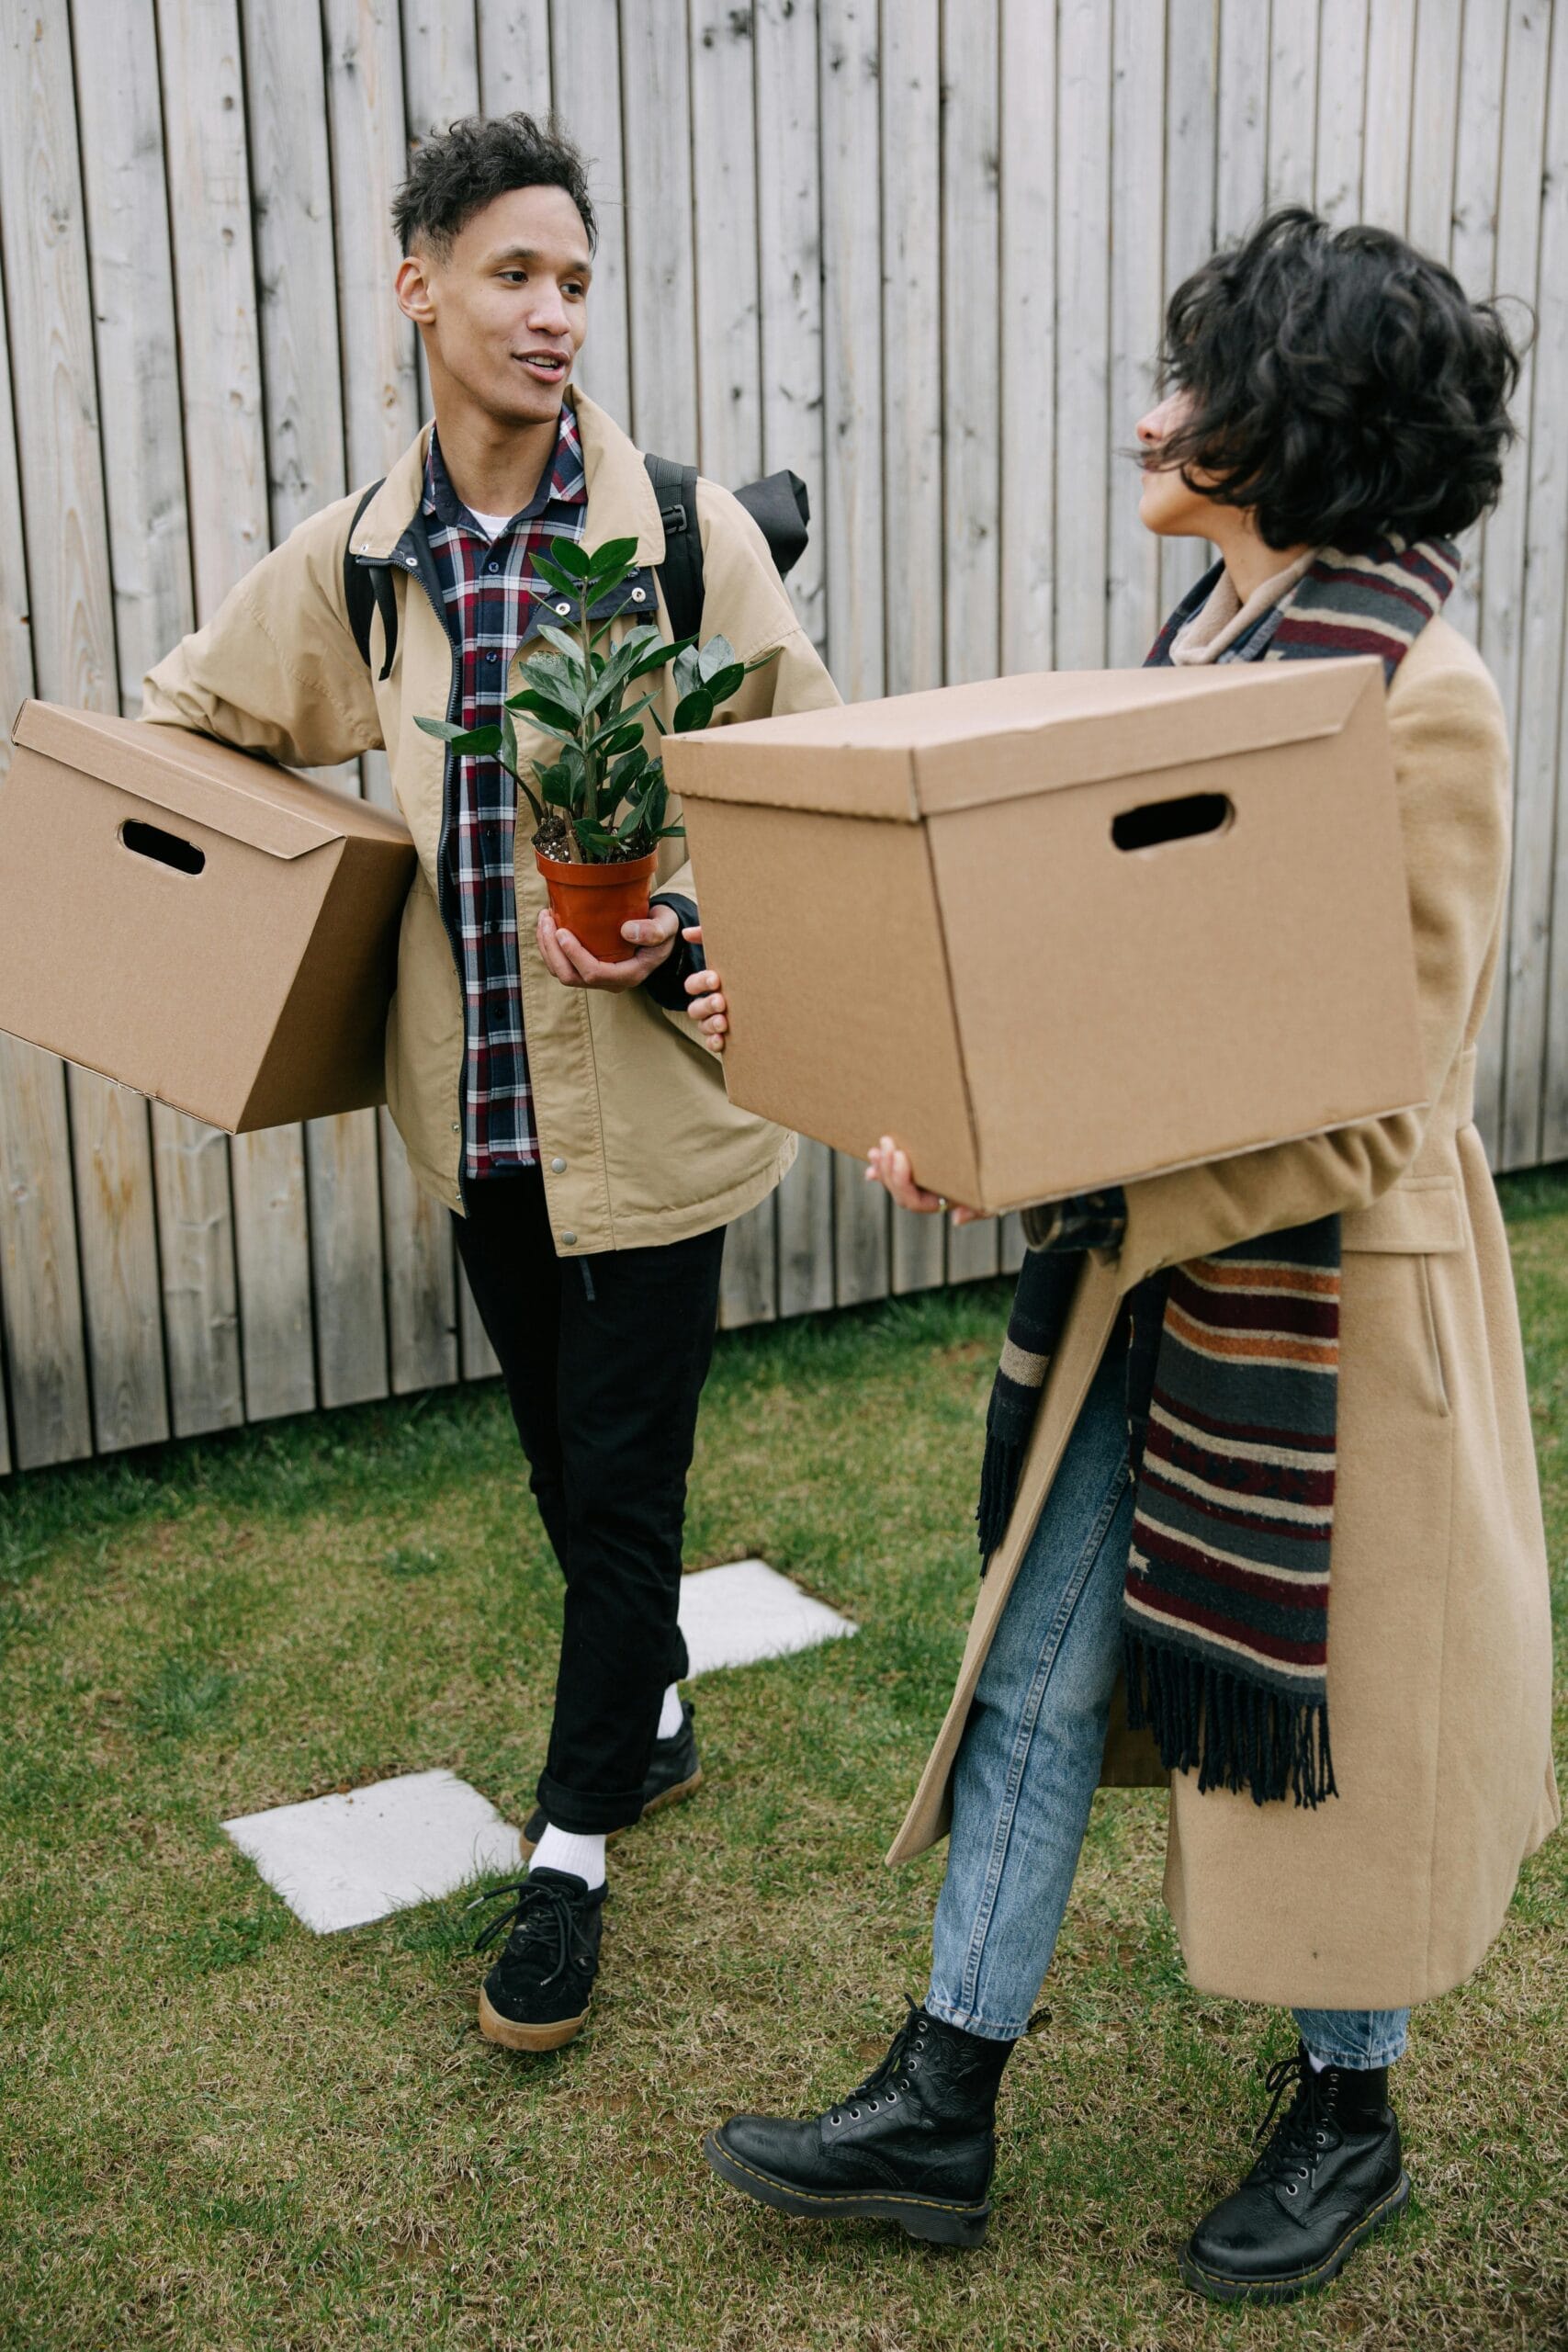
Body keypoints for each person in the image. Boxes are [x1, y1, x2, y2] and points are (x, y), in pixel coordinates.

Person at [703, 209, 1557, 2304]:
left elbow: (1375, 1101)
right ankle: (943, 2090)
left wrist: (1044, 1165)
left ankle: (1345, 2111)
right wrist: (918, 1072)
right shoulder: (1208, 651)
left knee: (1321, 1711)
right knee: (1033, 1661)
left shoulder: (1409, 707)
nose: (1151, 413)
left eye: (1198, 382)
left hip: (1331, 1317)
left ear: (1298, 428)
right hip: (1132, 1293)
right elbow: (1091, 997)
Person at [141, 112, 831, 2052]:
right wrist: (321, 899)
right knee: (561, 1466)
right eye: (514, 274)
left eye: (576, 281)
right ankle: (659, 1704)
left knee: (622, 1492)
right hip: (481, 1124)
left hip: (665, 1121)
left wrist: (681, 932)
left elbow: (820, 794)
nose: (552, 315)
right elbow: (187, 722)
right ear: (418, 284)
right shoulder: (363, 568)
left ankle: (571, 1851)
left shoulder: (682, 536)